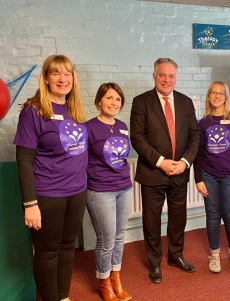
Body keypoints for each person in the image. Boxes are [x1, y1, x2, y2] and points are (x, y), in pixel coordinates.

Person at [13, 55, 88, 301]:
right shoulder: (33, 110)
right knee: (47, 252)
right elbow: (24, 159)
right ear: (45, 78)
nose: (62, 79)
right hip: (47, 194)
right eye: (56, 73)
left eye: (67, 73)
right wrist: (30, 203)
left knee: (68, 248)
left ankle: (63, 296)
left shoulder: (75, 109)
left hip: (76, 192)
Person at [130, 58, 200, 284]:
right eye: (162, 75)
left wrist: (185, 162)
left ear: (176, 77)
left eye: (171, 76)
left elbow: (195, 136)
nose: (166, 80)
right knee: (152, 221)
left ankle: (176, 256)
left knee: (178, 219)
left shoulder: (186, 102)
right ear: (154, 76)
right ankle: (154, 263)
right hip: (153, 172)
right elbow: (137, 138)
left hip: (180, 171)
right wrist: (160, 161)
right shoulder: (141, 102)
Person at [193, 81, 230, 273]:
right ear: (209, 96)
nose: (217, 96)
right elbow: (199, 153)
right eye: (213, 93)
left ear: (226, 97)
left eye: (221, 93)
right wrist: (198, 179)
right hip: (208, 175)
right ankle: (215, 255)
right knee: (213, 216)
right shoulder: (203, 123)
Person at [86, 83, 133, 301]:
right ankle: (104, 283)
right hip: (100, 190)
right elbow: (80, 161)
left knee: (120, 236)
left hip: (124, 187)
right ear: (99, 101)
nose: (114, 102)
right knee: (106, 240)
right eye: (109, 98)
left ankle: (117, 280)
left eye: (117, 99)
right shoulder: (88, 127)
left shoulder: (123, 126)